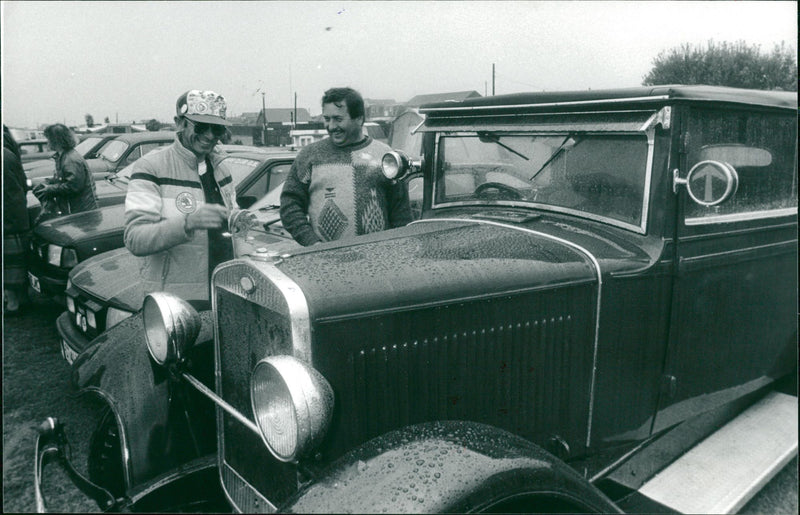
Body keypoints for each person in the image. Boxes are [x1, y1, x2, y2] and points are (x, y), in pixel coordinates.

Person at [123, 89, 236, 306]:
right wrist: (188, 223)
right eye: (201, 126)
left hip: (224, 290)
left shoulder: (222, 168)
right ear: (179, 123)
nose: (210, 135)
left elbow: (228, 225)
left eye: (218, 128)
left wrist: (239, 220)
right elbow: (135, 239)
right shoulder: (151, 166)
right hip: (175, 299)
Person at [280, 87, 412, 246]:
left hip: (377, 259)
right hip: (325, 260)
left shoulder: (386, 156)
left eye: (338, 119)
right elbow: (290, 204)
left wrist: (397, 247)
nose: (331, 126)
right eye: (327, 119)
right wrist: (311, 242)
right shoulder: (309, 156)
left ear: (359, 119)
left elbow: (401, 213)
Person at [32, 123, 97, 218]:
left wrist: (49, 189)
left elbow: (74, 186)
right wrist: (48, 182)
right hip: (76, 209)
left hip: (81, 213)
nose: (47, 143)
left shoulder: (71, 159)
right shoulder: (63, 156)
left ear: (56, 140)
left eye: (49, 139)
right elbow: (63, 180)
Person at [3, 126, 31, 315]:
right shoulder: (9, 154)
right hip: (15, 215)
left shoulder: (5, 156)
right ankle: (20, 299)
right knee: (17, 261)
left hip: (9, 218)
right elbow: (23, 183)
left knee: (10, 263)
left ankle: (13, 303)